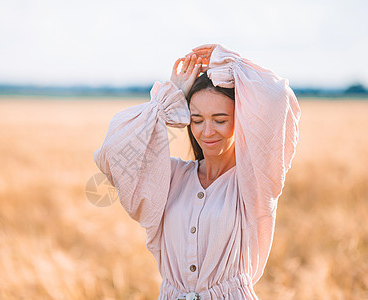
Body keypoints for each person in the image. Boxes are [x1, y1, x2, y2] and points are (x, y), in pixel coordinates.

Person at [94, 44, 300, 300]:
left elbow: (277, 97)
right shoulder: (171, 177)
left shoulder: (255, 180)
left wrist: (233, 65)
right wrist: (168, 100)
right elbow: (112, 153)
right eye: (197, 120)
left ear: (241, 119)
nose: (207, 131)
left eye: (220, 120)